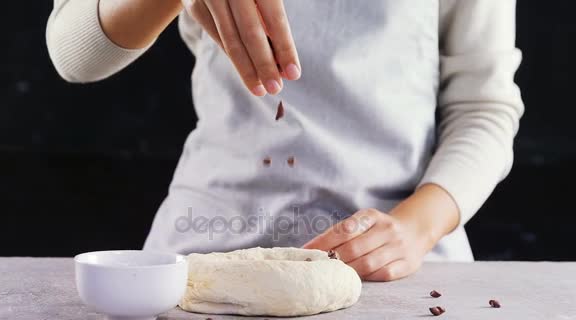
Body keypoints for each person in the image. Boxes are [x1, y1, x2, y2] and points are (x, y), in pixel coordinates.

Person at [46, 0, 524, 281]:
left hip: (403, 269)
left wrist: (416, 229)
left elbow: (484, 106)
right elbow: (75, 53)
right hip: (208, 252)